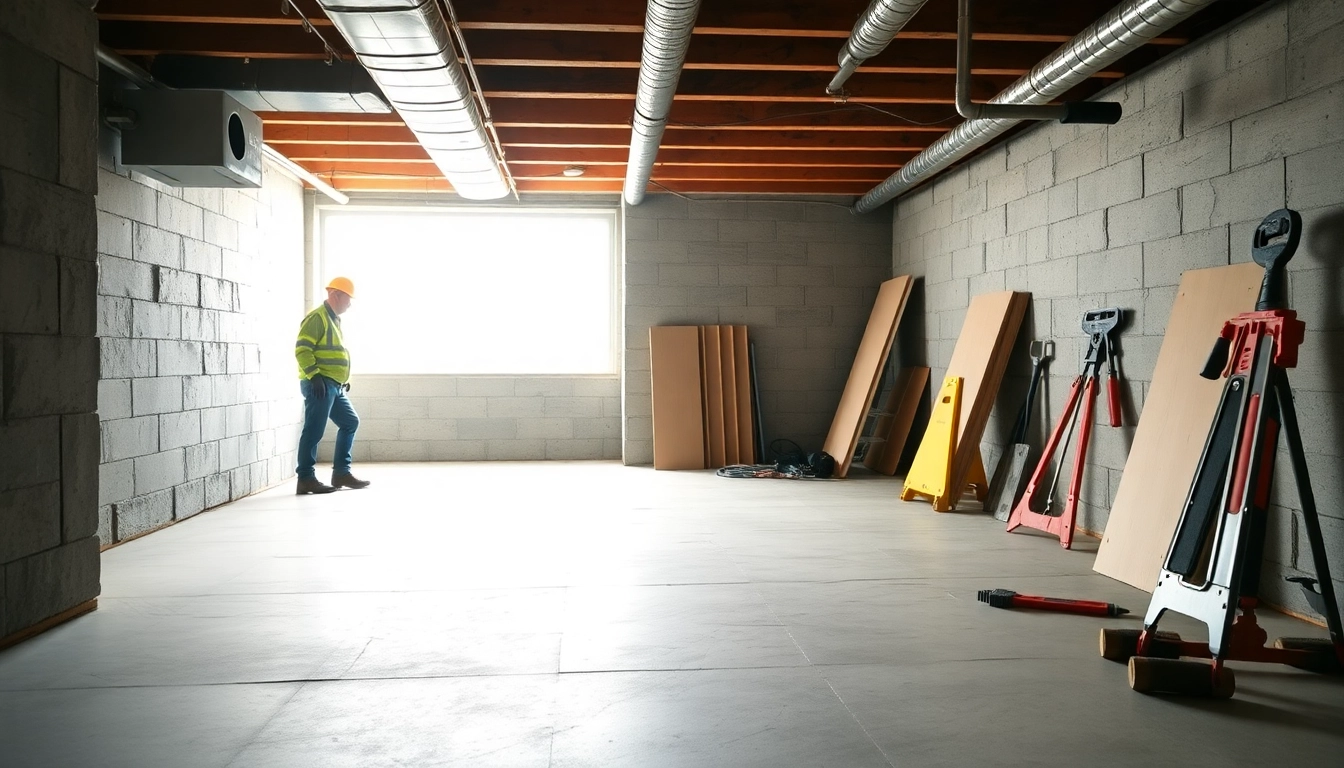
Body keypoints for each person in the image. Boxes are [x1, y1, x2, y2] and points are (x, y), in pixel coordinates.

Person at [294, 277, 370, 495]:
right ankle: (306, 478)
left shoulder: (334, 320)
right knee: (314, 430)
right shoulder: (317, 318)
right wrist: (314, 376)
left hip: (334, 386)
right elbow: (302, 349)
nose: (350, 303)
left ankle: (341, 473)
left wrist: (343, 380)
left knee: (350, 421)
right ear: (336, 294)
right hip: (320, 385)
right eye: (348, 298)